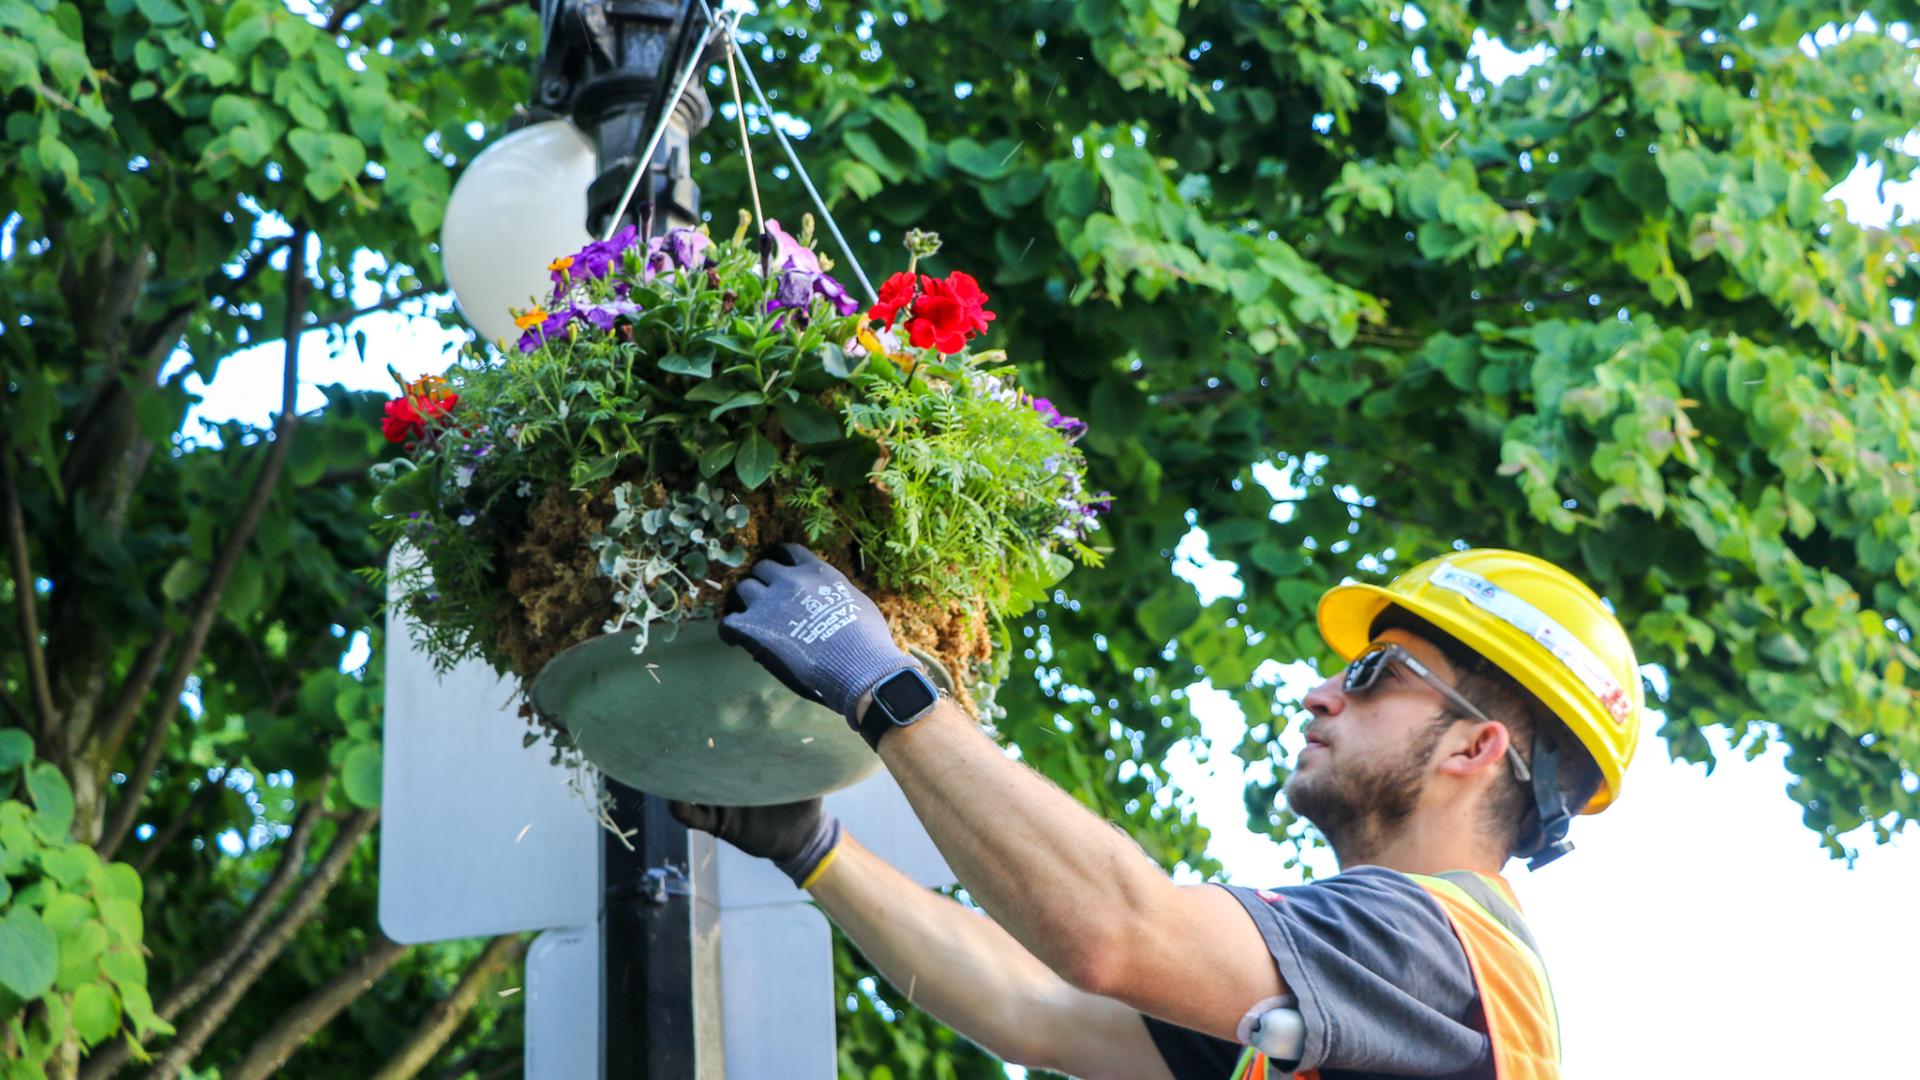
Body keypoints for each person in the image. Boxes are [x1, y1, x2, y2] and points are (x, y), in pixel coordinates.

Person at [674, 546, 1641, 1079]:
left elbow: (1116, 933)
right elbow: (1039, 1013)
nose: (1319, 692)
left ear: (1477, 748)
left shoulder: (1435, 948)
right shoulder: (1361, 1002)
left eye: (1374, 673)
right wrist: (812, 847)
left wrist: (882, 686)